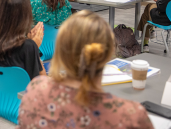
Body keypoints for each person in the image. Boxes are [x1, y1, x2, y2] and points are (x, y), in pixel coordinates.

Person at [17, 10, 154, 129]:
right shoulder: (132, 116)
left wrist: (35, 49)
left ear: (61, 51)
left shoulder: (34, 94)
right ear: (108, 54)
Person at [0, 0, 46, 80]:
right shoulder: (28, 47)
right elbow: (42, 82)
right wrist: (35, 49)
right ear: (26, 15)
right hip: (21, 93)